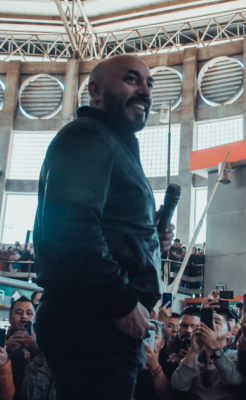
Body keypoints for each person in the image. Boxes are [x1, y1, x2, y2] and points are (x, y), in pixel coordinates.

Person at [33, 54, 174, 400]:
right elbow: (71, 227)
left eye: (149, 84)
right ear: (94, 90)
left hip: (100, 318)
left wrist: (150, 241)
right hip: (94, 318)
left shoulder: (112, 142)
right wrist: (122, 302)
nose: (144, 91)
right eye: (131, 79)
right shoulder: (90, 136)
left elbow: (104, 226)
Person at [171, 313, 243, 399]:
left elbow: (233, 380)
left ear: (228, 334)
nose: (210, 324)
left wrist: (213, 346)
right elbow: (178, 385)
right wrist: (193, 350)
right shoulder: (193, 358)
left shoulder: (235, 355)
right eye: (207, 321)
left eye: (217, 321)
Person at [4, 297, 40, 394]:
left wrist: (36, 352)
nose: (24, 316)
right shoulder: (2, 343)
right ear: (10, 317)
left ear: (35, 318)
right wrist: (5, 349)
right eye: (19, 312)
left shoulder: (43, 346)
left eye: (29, 313)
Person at [134, 321, 174, 400]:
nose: (148, 341)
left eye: (153, 337)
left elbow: (169, 397)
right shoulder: (130, 363)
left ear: (162, 343)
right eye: (144, 336)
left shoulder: (170, 365)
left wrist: (154, 366)